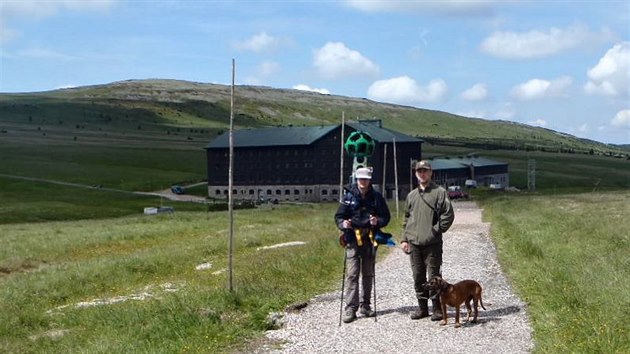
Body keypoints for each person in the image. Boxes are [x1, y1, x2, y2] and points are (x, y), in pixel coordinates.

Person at [335, 167, 391, 323]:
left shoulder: (377, 197)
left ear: (369, 179)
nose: (363, 181)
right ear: (356, 179)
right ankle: (350, 309)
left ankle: (365, 305)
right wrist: (343, 224)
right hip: (352, 239)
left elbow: (386, 217)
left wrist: (377, 221)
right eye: (360, 178)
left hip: (370, 239)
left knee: (367, 273)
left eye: (366, 178)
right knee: (352, 274)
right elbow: (339, 216)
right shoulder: (348, 197)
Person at [401, 160, 455, 321]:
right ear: (416, 174)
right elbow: (406, 219)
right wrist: (404, 239)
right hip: (414, 244)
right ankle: (422, 308)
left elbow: (448, 214)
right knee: (418, 276)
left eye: (425, 171)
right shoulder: (411, 195)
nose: (422, 174)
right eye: (419, 171)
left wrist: (436, 230)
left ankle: (437, 309)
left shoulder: (439, 192)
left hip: (432, 245)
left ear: (431, 173)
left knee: (434, 277)